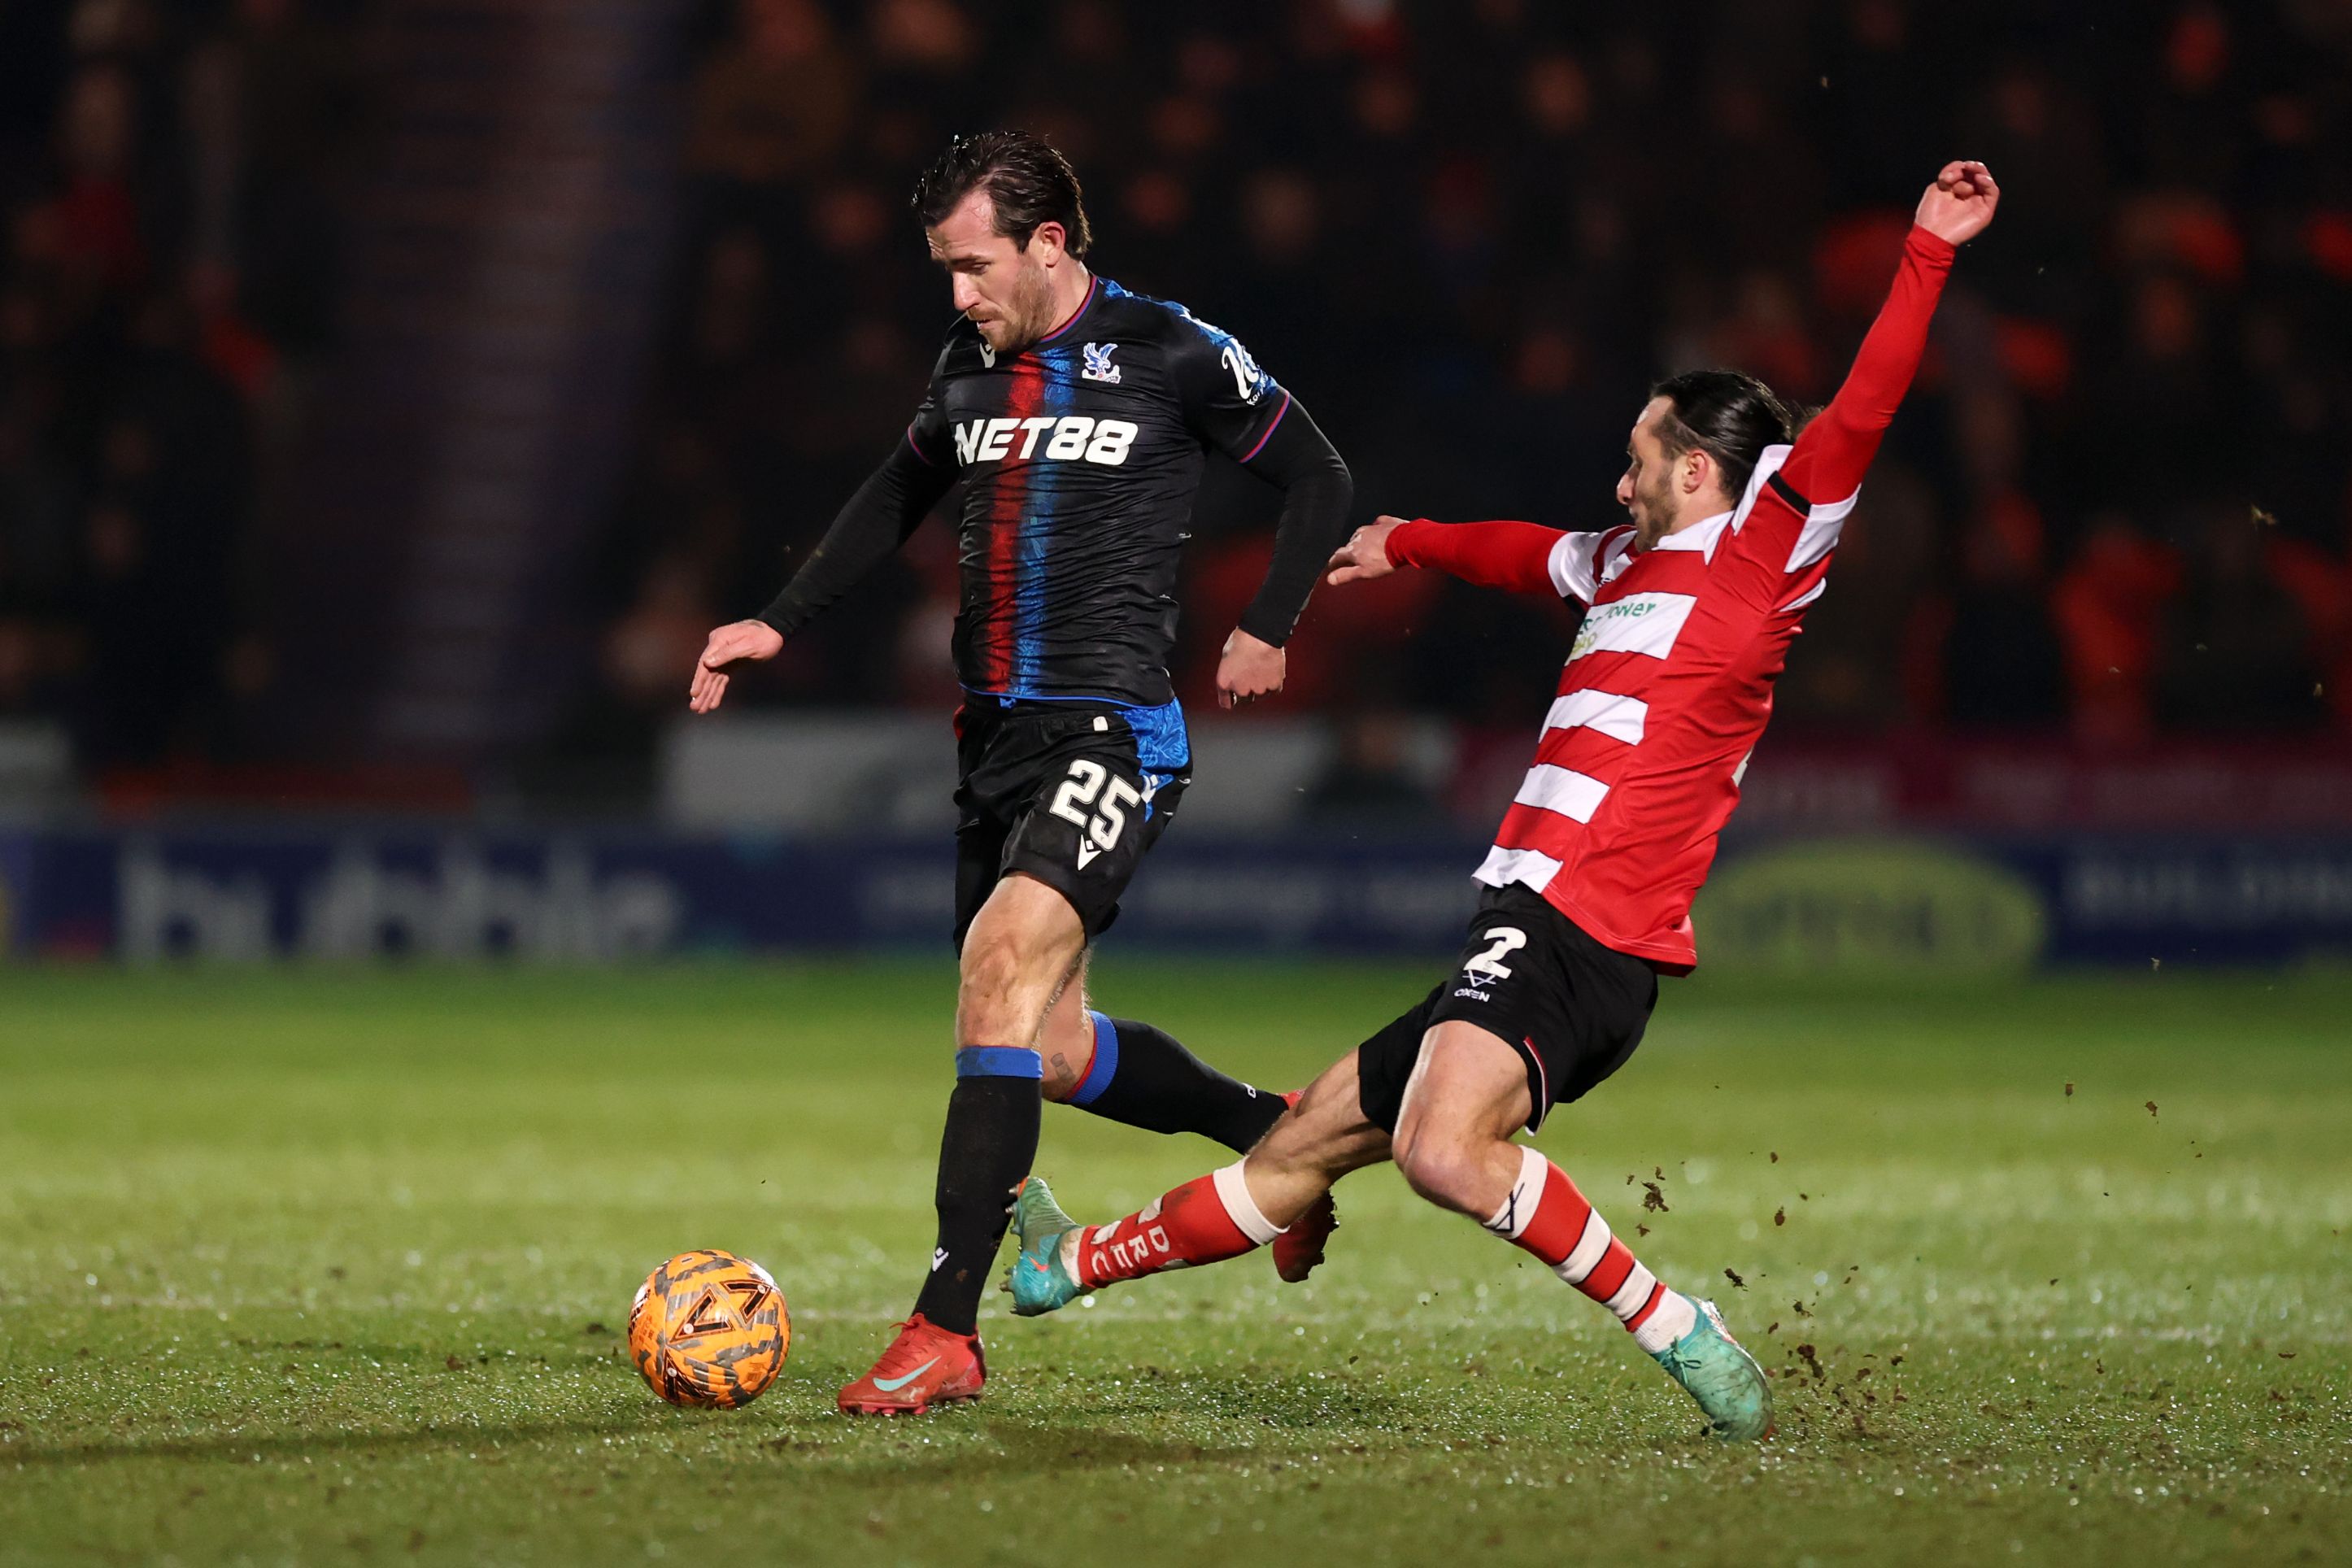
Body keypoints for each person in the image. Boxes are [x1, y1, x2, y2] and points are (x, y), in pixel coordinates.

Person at [1004, 161, 2001, 1442]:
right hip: (1523, 918)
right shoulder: (1622, 563)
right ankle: (1062, 1270)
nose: (1620, 468)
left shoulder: (1765, 554)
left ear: (1699, 469)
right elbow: (1526, 551)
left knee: (1441, 1152)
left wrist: (1928, 247)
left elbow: (1864, 406)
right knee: (1299, 1152)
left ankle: (1678, 1326)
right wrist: (1409, 539)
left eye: (1641, 448)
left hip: (1589, 928)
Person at [686, 131, 1355, 1414]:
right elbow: (899, 489)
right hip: (993, 740)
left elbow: (1317, 473)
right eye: (944, 270)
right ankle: (1271, 1132)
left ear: (1050, 245)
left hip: (1112, 731)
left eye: (974, 267)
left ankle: (945, 1327)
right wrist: (784, 616)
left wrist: (1269, 622)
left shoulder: (1173, 352)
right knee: (1040, 1046)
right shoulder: (967, 367)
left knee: (996, 974)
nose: (959, 296)